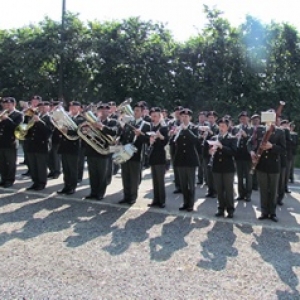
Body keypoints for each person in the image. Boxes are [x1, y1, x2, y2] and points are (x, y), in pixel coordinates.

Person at [248, 109, 286, 222]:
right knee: (263, 190)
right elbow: (249, 143)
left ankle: (272, 213)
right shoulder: (259, 130)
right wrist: (251, 152)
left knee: (273, 190)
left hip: (274, 165)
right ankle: (264, 212)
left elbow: (283, 149)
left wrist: (272, 147)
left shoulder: (280, 132)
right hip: (261, 165)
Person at [84, 103, 119, 200]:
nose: (103, 111)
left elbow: (114, 131)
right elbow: (86, 135)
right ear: (97, 111)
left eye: (106, 110)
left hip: (104, 152)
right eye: (101, 110)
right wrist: (87, 130)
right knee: (93, 174)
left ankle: (100, 193)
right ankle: (93, 192)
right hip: (92, 151)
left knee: (102, 174)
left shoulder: (113, 122)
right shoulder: (91, 122)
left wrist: (102, 127)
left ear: (109, 111)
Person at [118, 102, 151, 205]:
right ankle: (126, 196)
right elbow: (124, 137)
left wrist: (140, 135)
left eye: (137, 111)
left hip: (136, 154)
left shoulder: (146, 125)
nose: (135, 112)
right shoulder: (130, 122)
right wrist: (118, 140)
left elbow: (148, 140)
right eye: (134, 110)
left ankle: (132, 197)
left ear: (142, 112)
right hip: (125, 153)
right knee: (125, 175)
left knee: (134, 177)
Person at [170, 108, 199, 212]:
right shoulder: (178, 128)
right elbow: (173, 143)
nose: (184, 118)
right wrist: (173, 134)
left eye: (186, 116)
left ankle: (191, 204)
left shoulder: (194, 127)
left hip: (190, 159)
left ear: (190, 117)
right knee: (183, 183)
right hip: (180, 159)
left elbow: (196, 140)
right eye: (182, 116)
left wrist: (186, 130)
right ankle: (185, 202)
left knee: (191, 183)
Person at [209, 118, 237, 218]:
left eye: (223, 126)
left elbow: (234, 152)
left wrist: (222, 147)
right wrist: (211, 151)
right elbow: (209, 151)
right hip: (217, 167)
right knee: (219, 190)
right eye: (220, 126)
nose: (221, 128)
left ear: (227, 127)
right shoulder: (214, 138)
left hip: (228, 168)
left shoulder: (232, 138)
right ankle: (220, 208)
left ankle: (230, 209)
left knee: (228, 189)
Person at [57, 101, 85, 195]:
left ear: (79, 108)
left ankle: (72, 187)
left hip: (74, 146)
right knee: (66, 169)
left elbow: (80, 132)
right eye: (71, 106)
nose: (72, 108)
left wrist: (67, 131)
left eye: (75, 107)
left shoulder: (81, 119)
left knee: (73, 169)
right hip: (64, 146)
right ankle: (66, 186)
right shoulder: (66, 117)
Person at [26, 101, 53, 191]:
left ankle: (41, 183)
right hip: (32, 144)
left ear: (48, 107)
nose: (42, 108)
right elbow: (27, 129)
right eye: (40, 106)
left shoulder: (49, 118)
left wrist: (40, 122)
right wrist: (28, 118)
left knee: (41, 166)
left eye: (44, 106)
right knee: (33, 166)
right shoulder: (33, 116)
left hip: (42, 145)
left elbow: (48, 132)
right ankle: (35, 182)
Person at [147, 107, 169, 208]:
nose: (154, 118)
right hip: (153, 156)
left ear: (160, 116)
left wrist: (160, 136)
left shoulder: (163, 127)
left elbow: (166, 141)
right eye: (152, 116)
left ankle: (162, 200)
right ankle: (155, 200)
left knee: (160, 180)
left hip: (160, 156)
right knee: (155, 180)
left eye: (156, 116)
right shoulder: (151, 127)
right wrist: (150, 141)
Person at [0, 97, 23, 187]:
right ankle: (4, 178)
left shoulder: (18, 114)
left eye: (9, 104)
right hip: (1, 142)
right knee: (2, 162)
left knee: (10, 163)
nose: (7, 106)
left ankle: (9, 180)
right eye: (5, 104)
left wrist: (7, 119)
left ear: (14, 105)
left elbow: (17, 128)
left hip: (10, 142)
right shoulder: (3, 114)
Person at [232, 111, 253, 202]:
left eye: (245, 117)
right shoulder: (235, 128)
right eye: (241, 118)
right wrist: (235, 137)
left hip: (247, 156)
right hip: (238, 155)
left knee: (248, 176)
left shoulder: (251, 128)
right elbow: (231, 139)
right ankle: (241, 193)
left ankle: (248, 194)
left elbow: (254, 142)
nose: (243, 119)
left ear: (248, 118)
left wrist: (246, 136)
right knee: (239, 176)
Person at [203, 111, 219, 198]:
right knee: (207, 172)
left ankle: (215, 191)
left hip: (214, 151)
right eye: (209, 118)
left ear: (215, 118)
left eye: (212, 118)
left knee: (214, 172)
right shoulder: (206, 127)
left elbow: (217, 137)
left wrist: (210, 132)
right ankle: (210, 190)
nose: (210, 119)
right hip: (206, 152)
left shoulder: (217, 127)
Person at [168, 106, 183, 193]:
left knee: (182, 166)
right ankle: (178, 185)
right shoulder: (171, 123)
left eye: (179, 113)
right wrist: (171, 133)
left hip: (182, 147)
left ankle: (184, 184)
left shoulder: (184, 122)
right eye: (176, 113)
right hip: (173, 146)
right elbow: (168, 133)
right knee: (175, 166)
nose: (178, 114)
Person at [250, 114, 261, 190]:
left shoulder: (261, 129)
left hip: (259, 151)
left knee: (257, 168)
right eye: (254, 120)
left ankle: (256, 184)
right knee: (251, 168)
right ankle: (251, 184)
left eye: (257, 120)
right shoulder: (249, 129)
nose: (255, 121)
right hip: (251, 151)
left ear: (259, 121)